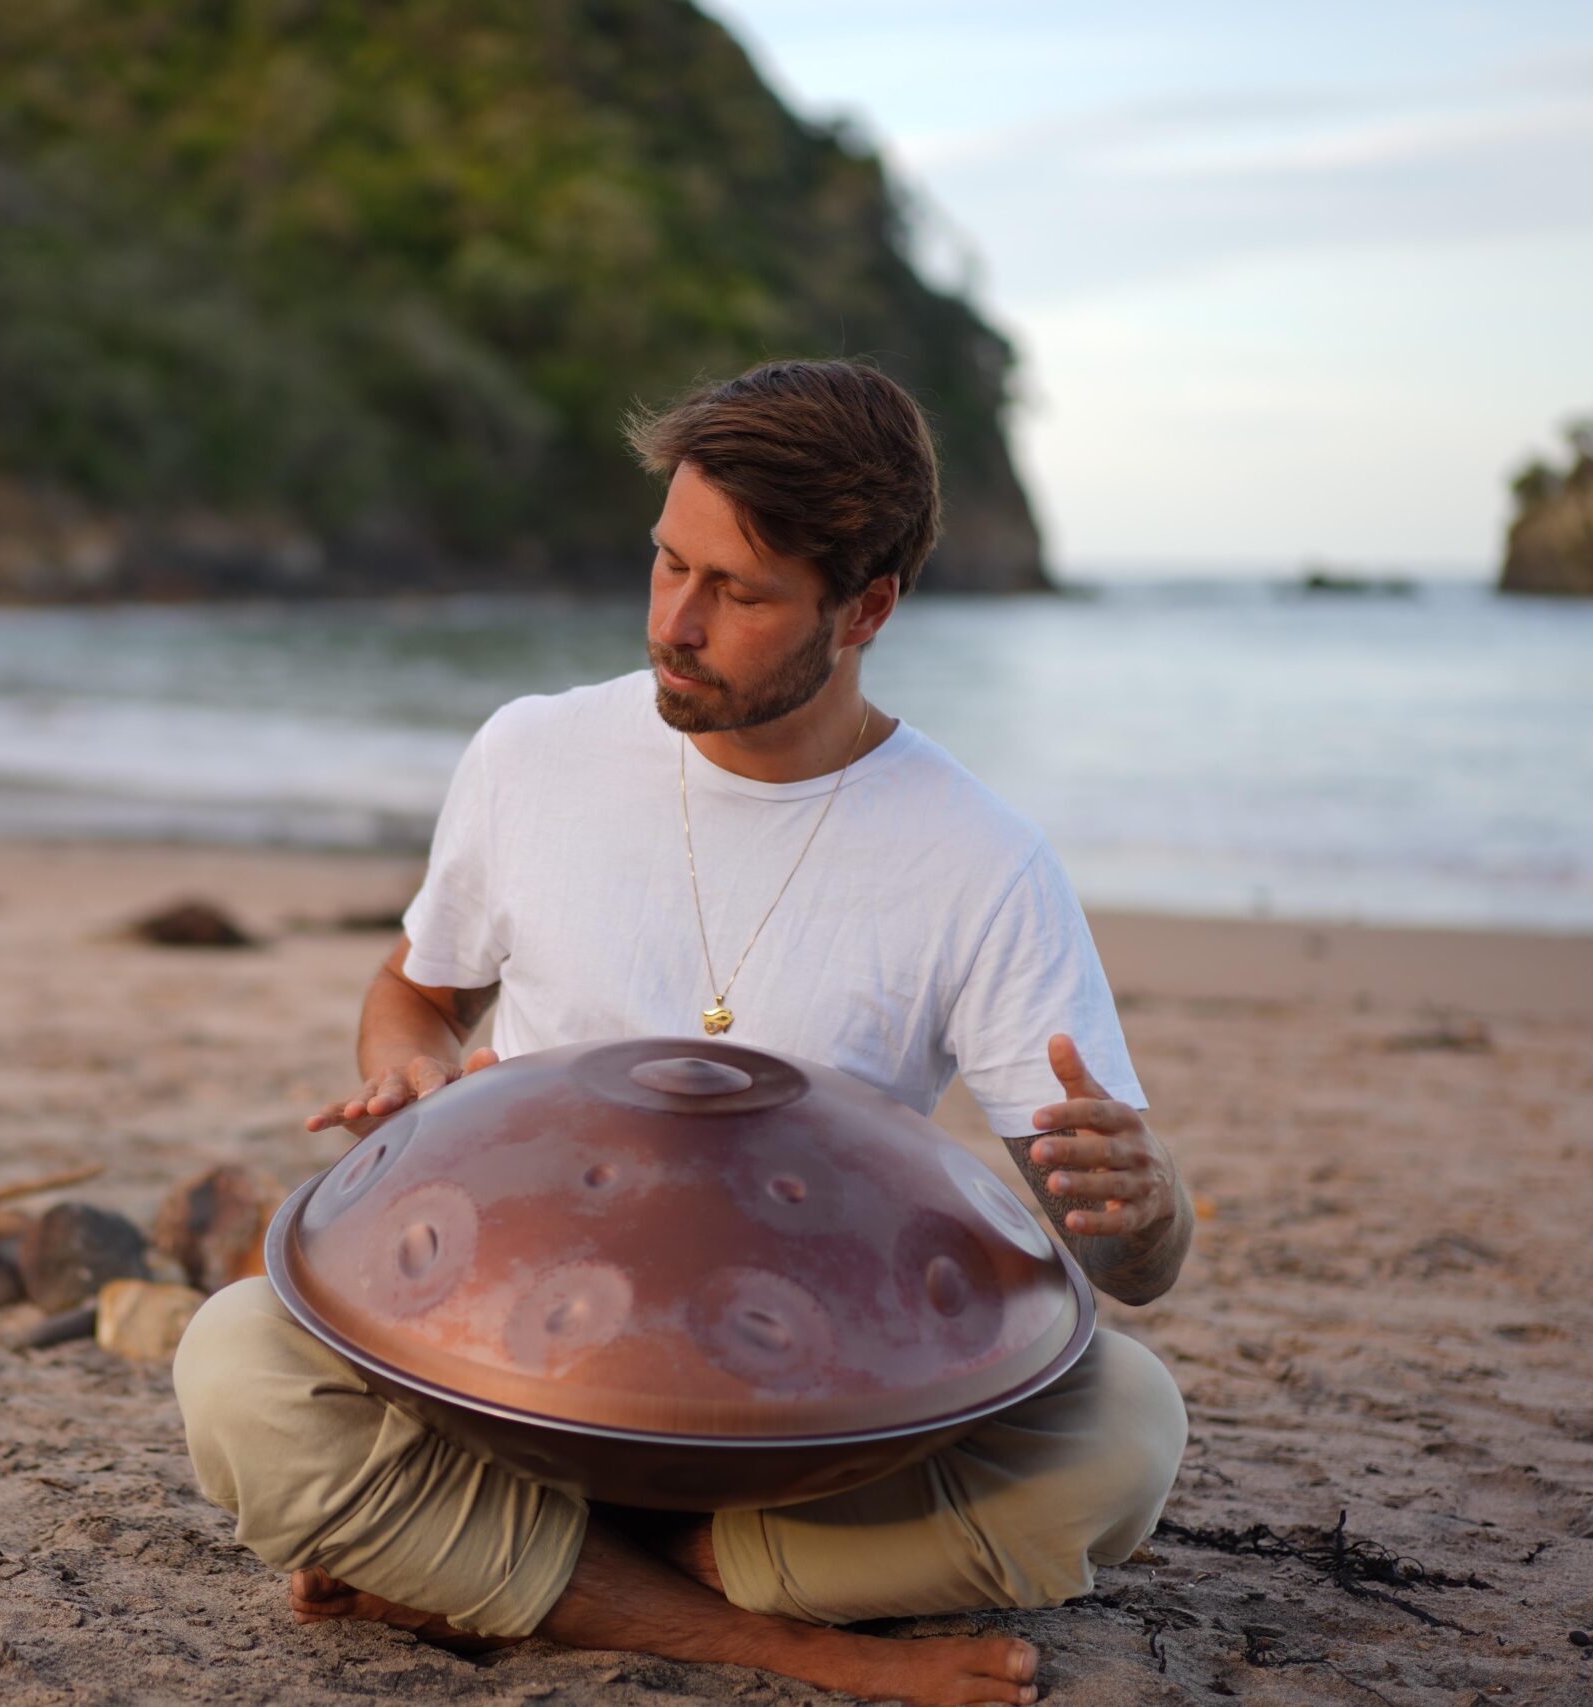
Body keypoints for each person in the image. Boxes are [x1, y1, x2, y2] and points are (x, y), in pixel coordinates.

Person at [174, 359, 1193, 1706]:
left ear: (867, 609)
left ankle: (532, 1572)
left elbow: (1122, 1263)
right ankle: (773, 1634)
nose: (676, 621)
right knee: (235, 1361)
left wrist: (1151, 1200)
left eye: (740, 593)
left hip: (800, 1421)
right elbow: (419, 991)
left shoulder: (981, 861)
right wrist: (408, 1067)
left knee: (1125, 1434)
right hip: (504, 1375)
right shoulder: (531, 755)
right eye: (667, 565)